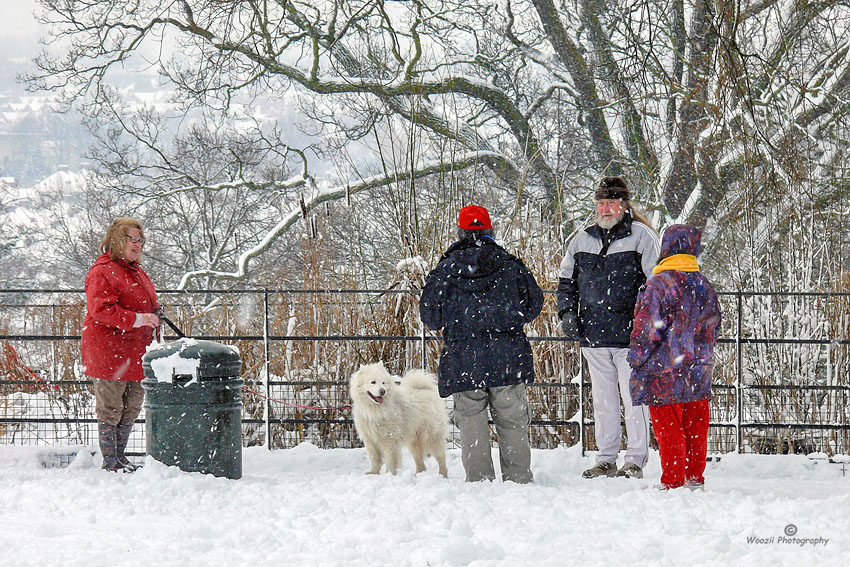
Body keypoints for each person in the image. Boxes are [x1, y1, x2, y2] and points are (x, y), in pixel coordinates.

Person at [420, 205, 544, 483]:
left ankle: (479, 481)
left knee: (471, 423)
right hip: (507, 356)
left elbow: (430, 316)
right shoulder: (510, 264)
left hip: (464, 359)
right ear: (489, 230)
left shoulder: (446, 269)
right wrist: (509, 317)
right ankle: (518, 478)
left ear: (460, 232)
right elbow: (534, 303)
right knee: (512, 420)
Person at [557, 176, 659, 479]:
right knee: (603, 403)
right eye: (600, 203)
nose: (605, 208)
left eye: (611, 202)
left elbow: (656, 285)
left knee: (634, 401)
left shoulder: (643, 236)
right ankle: (606, 458)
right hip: (593, 336)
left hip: (631, 338)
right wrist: (566, 313)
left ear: (624, 205)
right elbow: (566, 282)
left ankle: (636, 459)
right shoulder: (582, 239)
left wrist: (644, 323)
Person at [628, 224, 721, 490]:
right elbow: (716, 325)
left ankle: (673, 481)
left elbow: (647, 329)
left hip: (664, 369)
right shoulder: (704, 285)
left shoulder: (659, 285)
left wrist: (637, 358)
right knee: (696, 427)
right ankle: (694, 478)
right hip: (699, 370)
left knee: (669, 428)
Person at [81, 218, 161, 472]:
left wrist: (153, 313)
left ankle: (120, 457)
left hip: (135, 350)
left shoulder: (134, 270)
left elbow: (143, 301)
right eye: (132, 239)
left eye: (140, 240)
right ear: (118, 240)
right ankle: (111, 461)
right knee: (111, 407)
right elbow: (100, 309)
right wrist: (138, 319)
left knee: (132, 407)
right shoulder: (103, 270)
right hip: (110, 351)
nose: (138, 245)